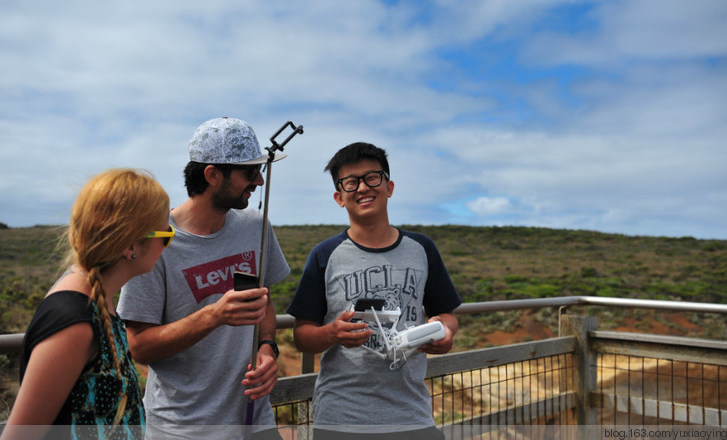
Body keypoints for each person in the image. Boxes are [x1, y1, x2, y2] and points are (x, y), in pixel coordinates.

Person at [117, 117, 290, 438]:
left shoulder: (255, 225)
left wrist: (267, 348)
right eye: (249, 172)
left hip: (255, 421)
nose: (259, 181)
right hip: (183, 428)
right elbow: (138, 346)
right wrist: (214, 316)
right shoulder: (155, 241)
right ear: (212, 174)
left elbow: (262, 301)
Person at [287, 142, 462, 440]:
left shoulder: (422, 249)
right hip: (342, 419)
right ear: (339, 197)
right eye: (350, 182)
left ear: (389, 186)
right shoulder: (324, 254)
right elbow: (302, 336)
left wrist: (444, 333)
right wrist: (333, 333)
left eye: (372, 177)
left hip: (412, 414)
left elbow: (445, 313)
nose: (363, 188)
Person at [1, 169, 171, 440]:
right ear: (131, 245)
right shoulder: (75, 322)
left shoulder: (97, 300)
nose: (167, 247)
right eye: (166, 235)